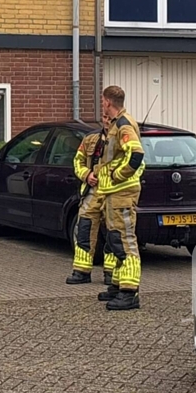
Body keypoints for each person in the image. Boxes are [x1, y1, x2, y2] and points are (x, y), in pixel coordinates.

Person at [98, 85, 146, 311]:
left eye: (102, 101)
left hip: (122, 192)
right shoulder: (118, 124)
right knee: (115, 239)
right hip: (113, 193)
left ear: (108, 102)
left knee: (125, 242)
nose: (102, 105)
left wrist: (118, 175)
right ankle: (118, 286)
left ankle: (130, 292)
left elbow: (136, 154)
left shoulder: (124, 125)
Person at [66, 112, 118, 288]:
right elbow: (78, 161)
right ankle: (82, 271)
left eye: (110, 118)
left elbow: (136, 165)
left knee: (113, 232)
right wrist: (86, 175)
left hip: (113, 192)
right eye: (105, 118)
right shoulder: (90, 139)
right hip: (92, 191)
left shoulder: (124, 138)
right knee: (84, 229)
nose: (107, 121)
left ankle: (111, 273)